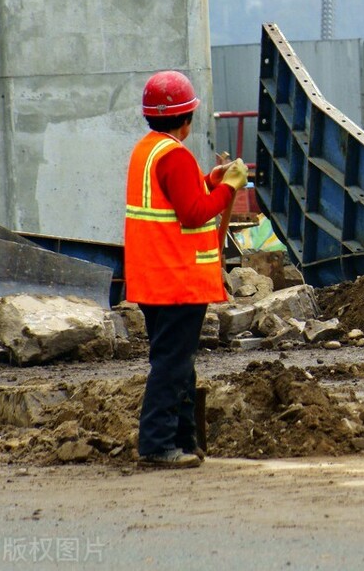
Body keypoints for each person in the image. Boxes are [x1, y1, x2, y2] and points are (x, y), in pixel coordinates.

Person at [125, 70, 249, 469]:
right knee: (173, 364)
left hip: (153, 278)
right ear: (187, 118)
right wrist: (229, 189)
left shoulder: (149, 150)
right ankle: (158, 445)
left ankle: (184, 440)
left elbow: (182, 192)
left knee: (177, 362)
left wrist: (214, 178)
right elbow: (195, 212)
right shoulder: (175, 155)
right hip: (177, 279)